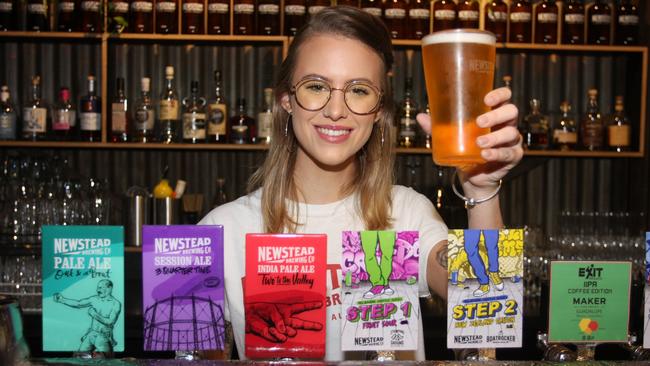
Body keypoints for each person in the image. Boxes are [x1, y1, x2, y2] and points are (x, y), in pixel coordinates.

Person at [199, 6, 522, 361]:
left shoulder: (405, 213)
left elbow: (486, 301)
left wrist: (482, 191)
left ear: (379, 111)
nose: (336, 110)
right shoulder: (221, 230)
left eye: (359, 90)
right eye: (316, 86)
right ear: (286, 100)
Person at [53, 279, 122, 352]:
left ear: (109, 288)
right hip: (91, 334)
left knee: (106, 361)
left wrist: (94, 314)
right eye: (98, 287)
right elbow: (78, 303)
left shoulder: (116, 304)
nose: (98, 290)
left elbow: (110, 322)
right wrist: (62, 300)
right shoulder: (94, 299)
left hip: (104, 337)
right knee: (80, 358)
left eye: (101, 287)